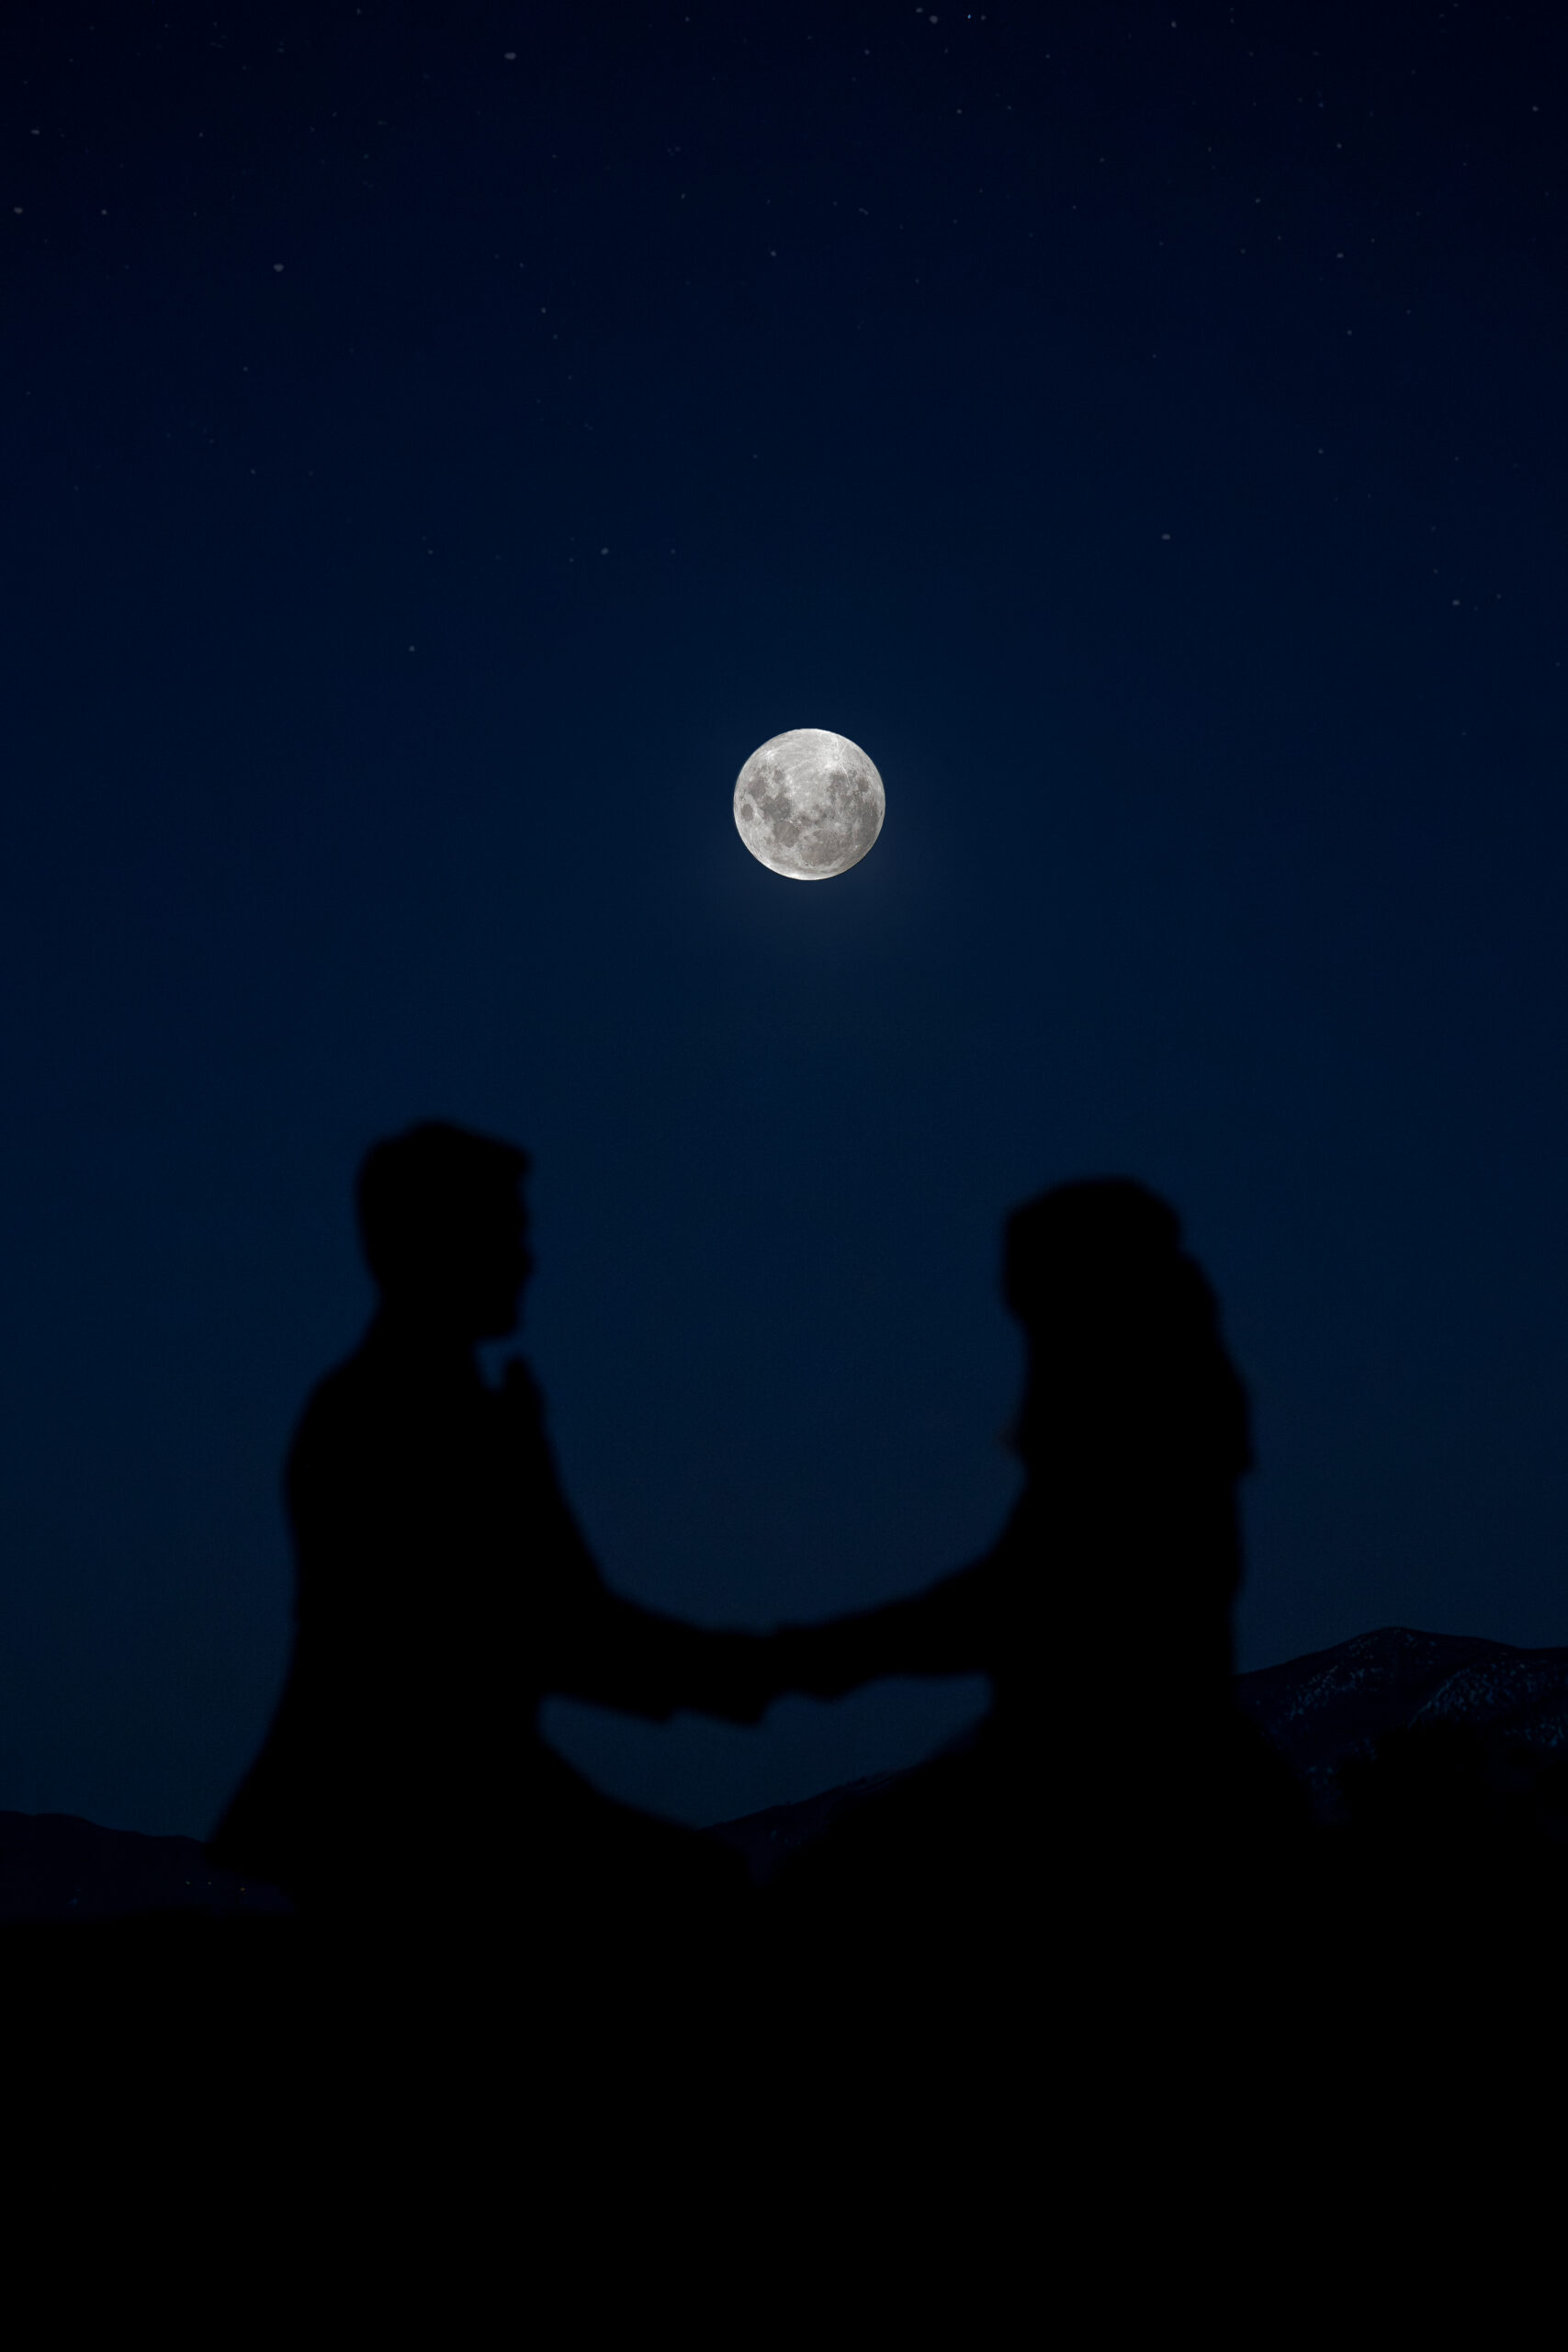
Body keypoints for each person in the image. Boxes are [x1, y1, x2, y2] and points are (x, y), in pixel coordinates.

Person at [207, 1120, 776, 1952]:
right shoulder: (395, 1418)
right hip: (408, 1804)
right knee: (697, 1892)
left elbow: (550, 1622)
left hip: (419, 1795)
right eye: (506, 1233)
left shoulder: (418, 1410)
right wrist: (759, 1670)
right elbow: (538, 1630)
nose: (527, 1259)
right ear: (436, 1243)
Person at [763, 1178, 1313, 1997]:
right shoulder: (1161, 1416)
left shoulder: (1131, 1434)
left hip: (1109, 1782)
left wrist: (789, 1661)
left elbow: (1014, 1602)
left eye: (1028, 1284)